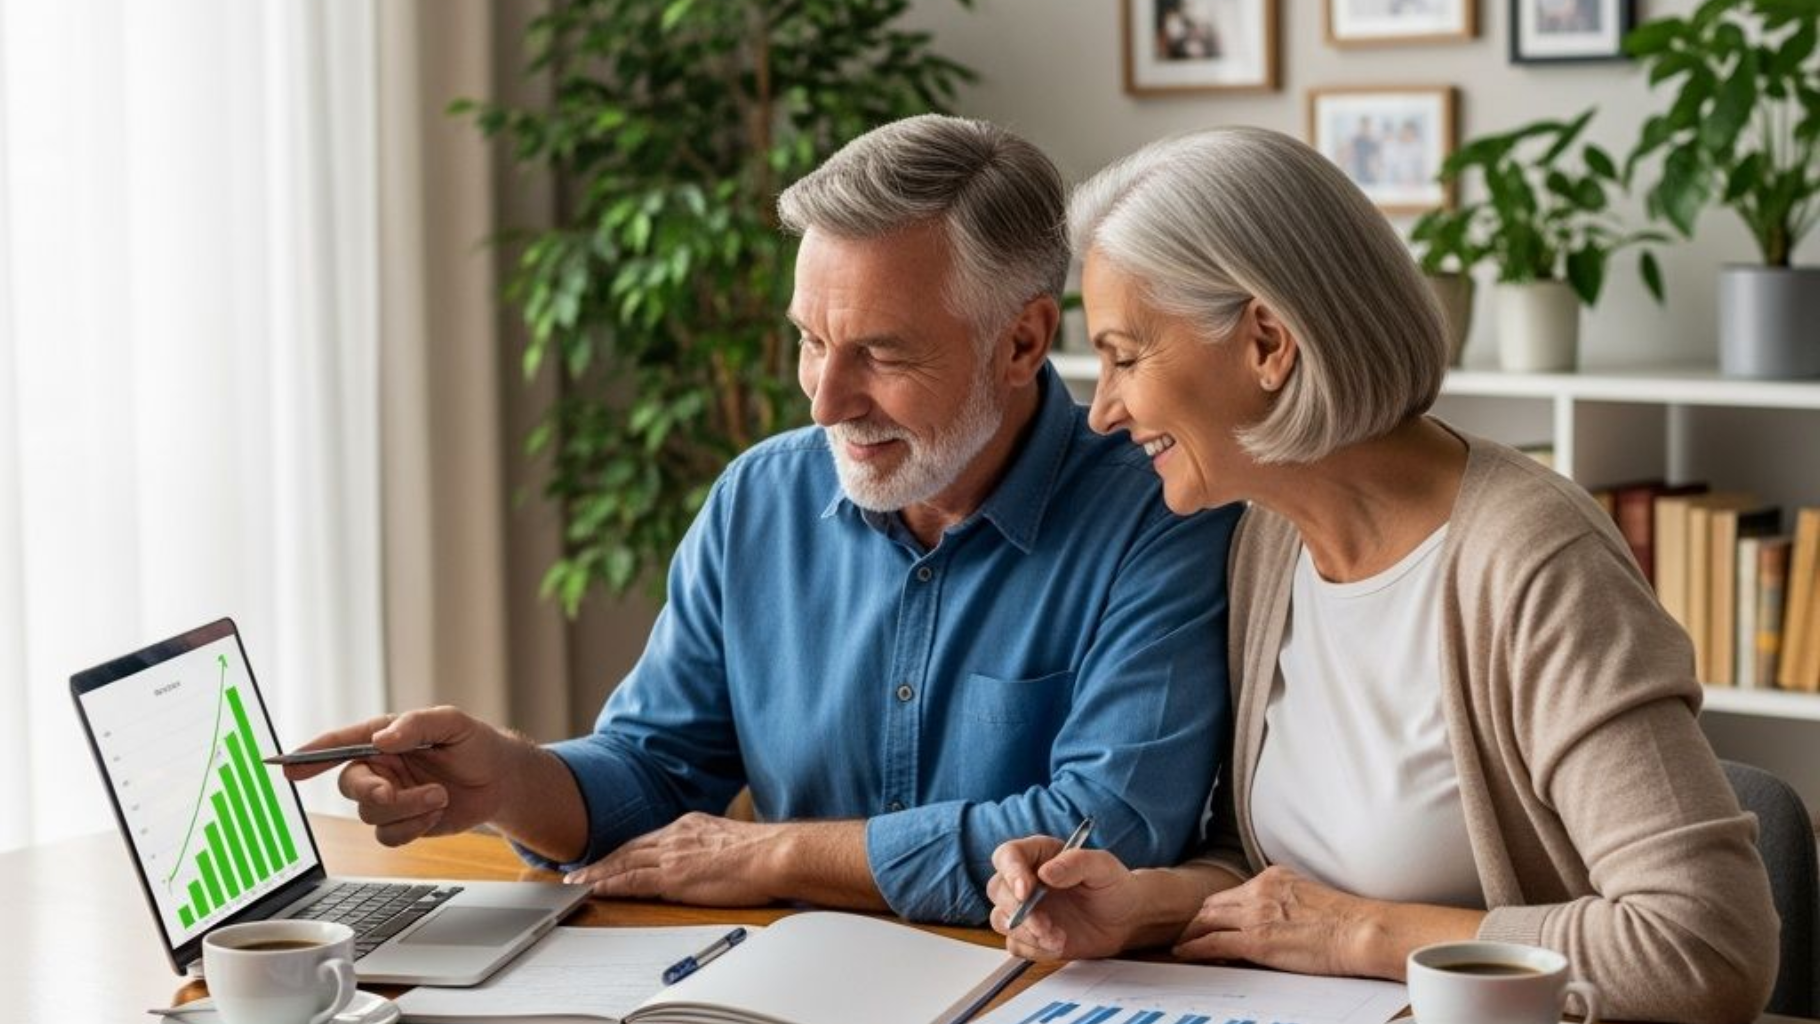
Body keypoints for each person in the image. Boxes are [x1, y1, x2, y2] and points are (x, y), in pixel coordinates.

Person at [285, 114, 1239, 925]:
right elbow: (656, 774)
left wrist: (784, 856)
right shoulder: (759, 500)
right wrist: (510, 783)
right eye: (810, 342)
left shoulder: (1161, 511)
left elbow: (1103, 830)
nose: (825, 401)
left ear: (1023, 340)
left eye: (879, 354)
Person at [985, 126, 1777, 1023]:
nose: (1106, 412)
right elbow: (1290, 880)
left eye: (1127, 355)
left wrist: (1366, 936)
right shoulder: (1268, 545)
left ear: (1268, 343)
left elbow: (1707, 944)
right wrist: (1146, 906)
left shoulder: (1533, 564)